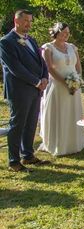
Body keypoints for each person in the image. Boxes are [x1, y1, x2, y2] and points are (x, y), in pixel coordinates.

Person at [0, 10, 50, 172]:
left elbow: (41, 62)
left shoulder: (32, 40)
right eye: (26, 20)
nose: (29, 24)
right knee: (17, 125)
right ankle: (14, 161)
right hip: (19, 90)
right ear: (16, 20)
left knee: (31, 123)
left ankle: (27, 155)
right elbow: (15, 68)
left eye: (30, 21)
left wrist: (44, 78)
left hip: (36, 89)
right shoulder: (6, 42)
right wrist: (36, 81)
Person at [39, 22, 84, 156]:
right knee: (60, 112)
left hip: (74, 86)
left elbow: (78, 66)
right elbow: (49, 69)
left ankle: (74, 142)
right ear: (56, 32)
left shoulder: (72, 47)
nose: (66, 35)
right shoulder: (48, 48)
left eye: (68, 32)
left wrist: (77, 80)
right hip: (57, 86)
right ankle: (59, 143)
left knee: (73, 112)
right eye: (64, 32)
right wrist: (65, 82)